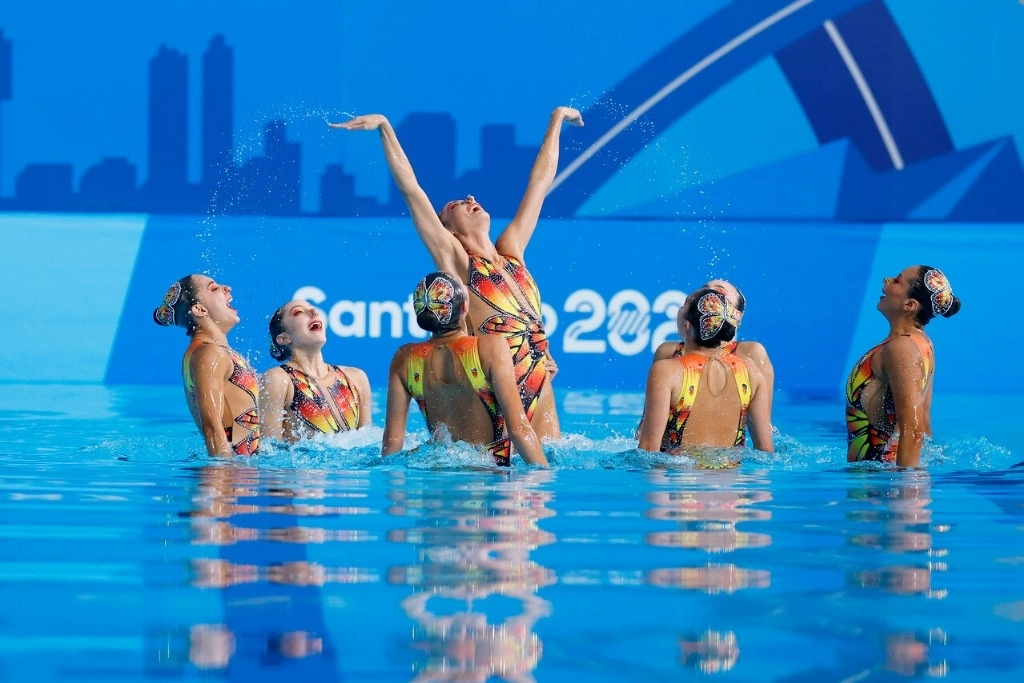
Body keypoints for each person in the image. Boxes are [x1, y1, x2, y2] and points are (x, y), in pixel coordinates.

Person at [331, 106, 583, 441]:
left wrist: (555, 120)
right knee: (499, 475)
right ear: (448, 231)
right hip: (498, 386)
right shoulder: (458, 261)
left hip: (541, 380)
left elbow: (539, 184)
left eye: (468, 198)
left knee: (546, 473)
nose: (469, 198)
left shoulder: (511, 252)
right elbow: (412, 190)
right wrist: (385, 128)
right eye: (455, 206)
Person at [382, 272, 548, 467]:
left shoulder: (405, 357)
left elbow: (392, 442)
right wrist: (543, 478)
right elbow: (519, 429)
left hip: (436, 473)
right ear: (465, 307)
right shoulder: (490, 347)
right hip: (486, 475)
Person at [846, 265, 961, 467]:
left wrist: (906, 492)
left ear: (909, 305)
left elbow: (915, 431)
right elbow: (924, 427)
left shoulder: (902, 348)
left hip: (879, 487)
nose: (886, 280)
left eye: (897, 280)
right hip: (884, 482)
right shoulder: (922, 344)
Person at [638, 286, 774, 456]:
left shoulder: (666, 371)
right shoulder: (751, 373)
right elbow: (766, 453)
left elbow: (648, 451)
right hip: (733, 480)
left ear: (687, 325)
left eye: (683, 306)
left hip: (680, 479)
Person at [153, 274, 260, 456]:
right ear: (200, 310)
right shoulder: (210, 354)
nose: (227, 287)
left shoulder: (211, 352)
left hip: (240, 474)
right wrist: (221, 477)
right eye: (213, 288)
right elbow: (211, 426)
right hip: (229, 477)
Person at [259, 299, 372, 442]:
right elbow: (267, 452)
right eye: (298, 312)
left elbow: (366, 444)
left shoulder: (356, 378)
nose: (314, 311)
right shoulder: (278, 379)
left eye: (313, 308)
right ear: (283, 338)